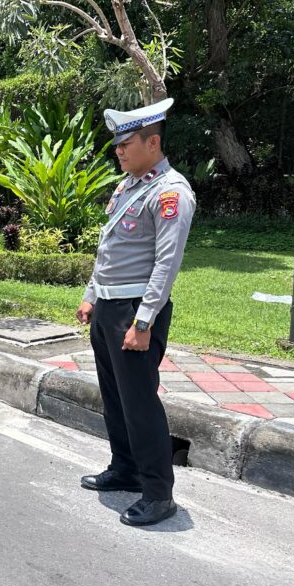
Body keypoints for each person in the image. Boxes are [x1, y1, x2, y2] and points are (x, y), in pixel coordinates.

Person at [76, 98, 196, 527]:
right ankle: (124, 469)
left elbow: (166, 264)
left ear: (153, 142)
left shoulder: (170, 192)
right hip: (110, 307)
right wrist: (92, 295)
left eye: (127, 143)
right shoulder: (129, 187)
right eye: (118, 145)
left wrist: (143, 321)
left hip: (135, 312)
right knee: (115, 398)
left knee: (140, 402)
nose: (119, 151)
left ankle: (159, 493)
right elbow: (109, 250)